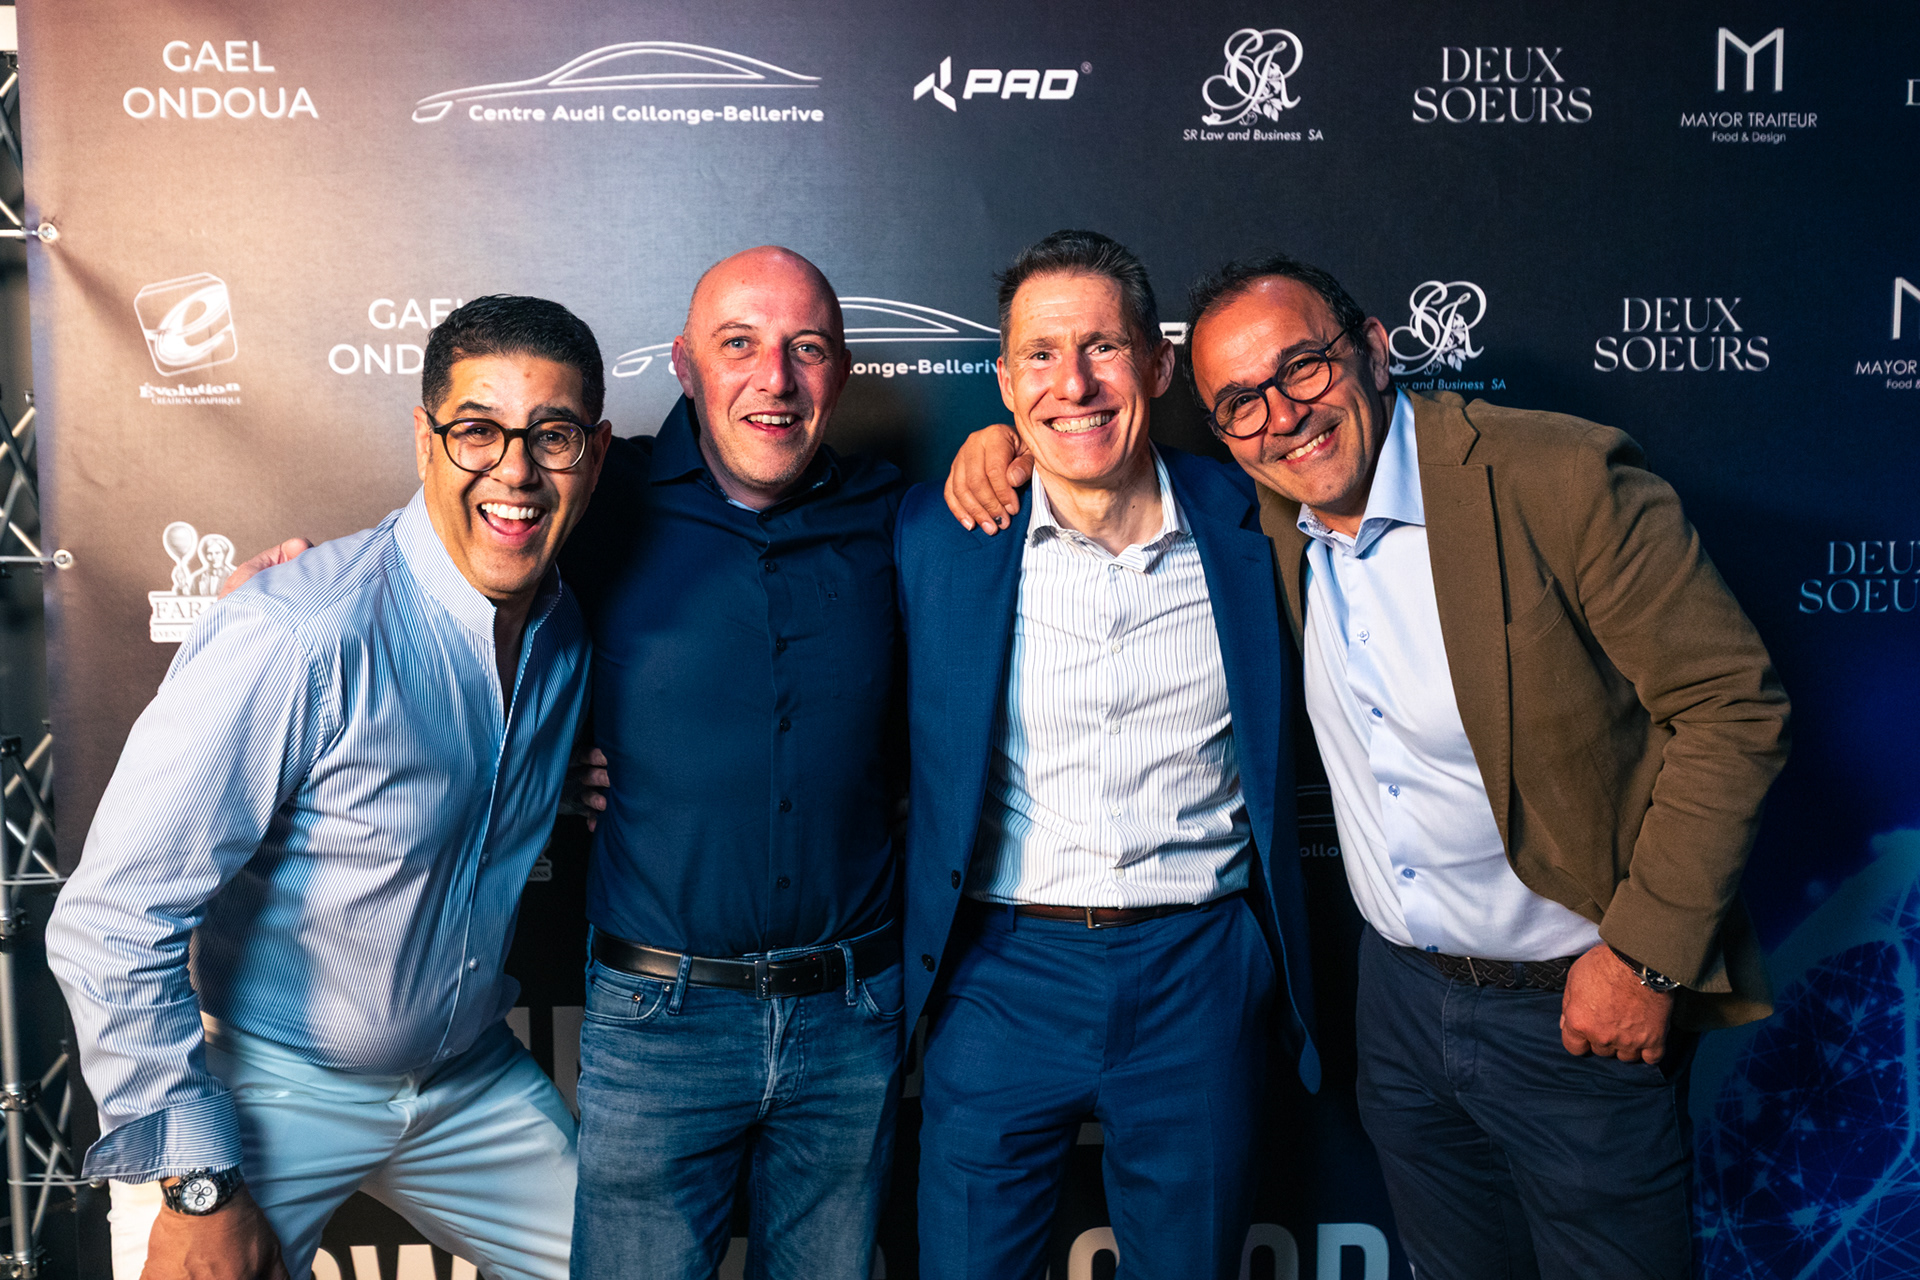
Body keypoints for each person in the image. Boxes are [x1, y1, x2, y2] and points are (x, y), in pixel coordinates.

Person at [953, 254, 1791, 1278]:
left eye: (1303, 367)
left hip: (1576, 1003)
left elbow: (1734, 709)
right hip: (1397, 1009)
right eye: (1242, 403)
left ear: (1376, 350)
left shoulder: (1556, 478)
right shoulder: (1265, 514)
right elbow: (1086, 448)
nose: (1283, 416)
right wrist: (1002, 445)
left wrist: (1645, 959)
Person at [46, 295, 613, 1280]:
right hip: (268, 1083)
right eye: (478, 430)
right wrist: (198, 1182)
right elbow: (110, 918)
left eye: (552, 435)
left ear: (594, 454)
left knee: (626, 1260)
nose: (516, 469)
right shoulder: (299, 631)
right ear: (426, 439)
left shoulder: (562, 630)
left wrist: (553, 783)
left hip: (462, 1076)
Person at [898, 231, 1318, 1280]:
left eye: (1103, 348)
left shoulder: (1257, 519)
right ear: (1005, 384)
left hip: (1197, 973)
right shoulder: (938, 534)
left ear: (1159, 366)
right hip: (1002, 975)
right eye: (1040, 355)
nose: (1073, 384)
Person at [557, 246, 907, 1280]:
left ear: (840, 372)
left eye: (808, 348)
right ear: (684, 363)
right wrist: (542, 757)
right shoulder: (596, 498)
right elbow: (444, 568)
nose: (775, 378)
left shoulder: (900, 513)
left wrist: (1000, 452)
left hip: (852, 1016)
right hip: (658, 1017)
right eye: (739, 344)